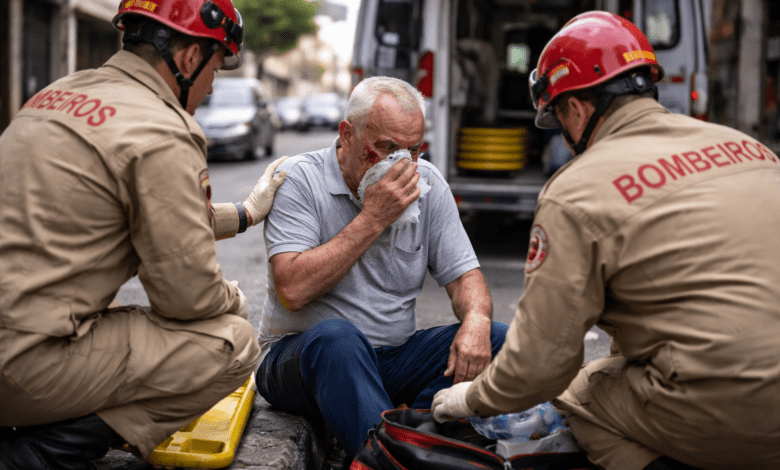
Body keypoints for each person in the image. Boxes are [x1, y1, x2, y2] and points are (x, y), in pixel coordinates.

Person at [431, 11, 780, 470]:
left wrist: (471, 399)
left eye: (558, 117)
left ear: (576, 109)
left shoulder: (575, 190)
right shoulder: (752, 151)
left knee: (577, 395)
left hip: (732, 415)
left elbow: (540, 367)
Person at [0, 0, 288, 467]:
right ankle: (41, 452)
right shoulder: (163, 129)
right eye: (216, 70)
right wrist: (230, 299)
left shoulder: (54, 96)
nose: (212, 87)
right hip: (20, 366)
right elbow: (187, 300)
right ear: (190, 58)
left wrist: (247, 213)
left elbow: (148, 213)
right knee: (231, 342)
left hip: (15, 336)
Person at [255, 76, 508, 458]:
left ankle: (398, 443)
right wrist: (373, 218)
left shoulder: (427, 182)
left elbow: (464, 277)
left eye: (413, 150)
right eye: (387, 148)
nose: (401, 164)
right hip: (303, 358)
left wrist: (477, 320)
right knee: (338, 339)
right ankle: (392, 453)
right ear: (347, 135)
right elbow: (292, 290)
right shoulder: (301, 178)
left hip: (391, 358)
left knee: (497, 339)